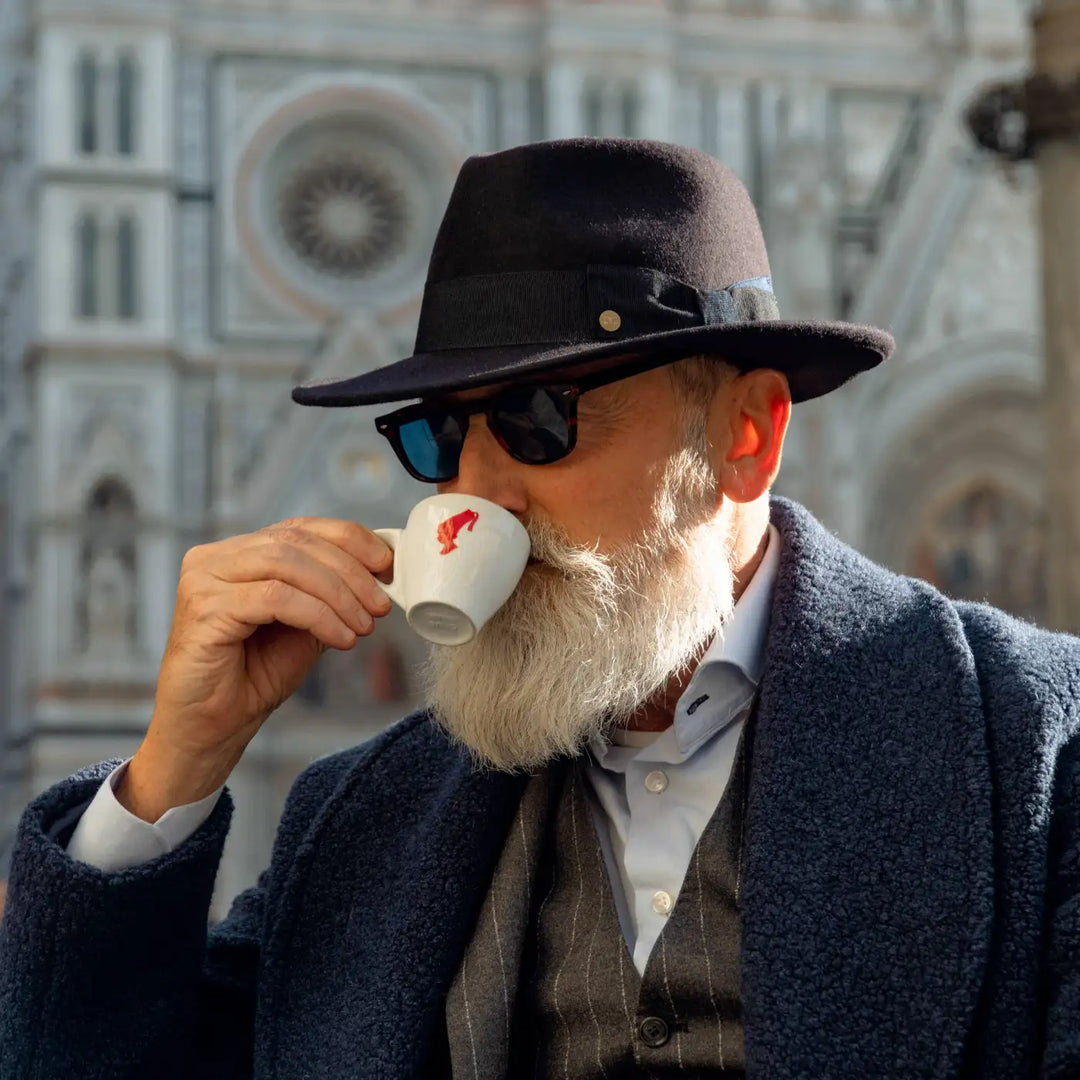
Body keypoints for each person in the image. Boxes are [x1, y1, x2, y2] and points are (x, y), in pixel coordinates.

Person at [1, 138, 1078, 1080]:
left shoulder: (1040, 749)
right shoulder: (363, 818)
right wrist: (171, 772)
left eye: (537, 418)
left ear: (744, 438)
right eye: (436, 436)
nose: (474, 495)